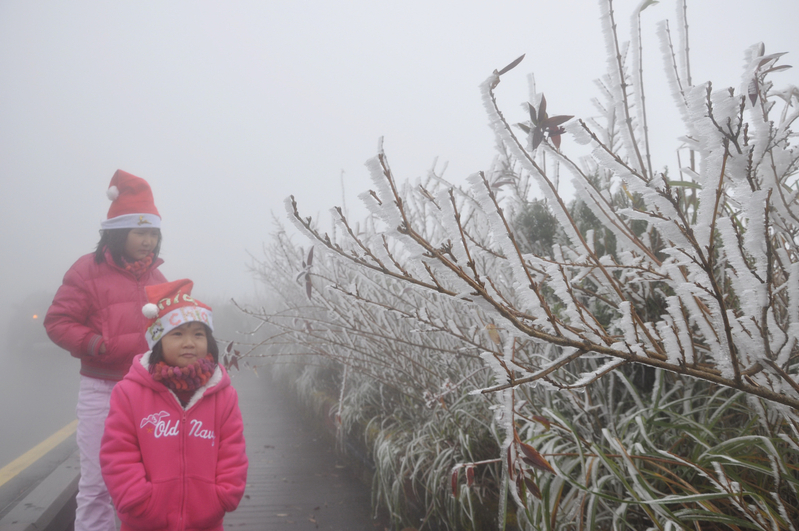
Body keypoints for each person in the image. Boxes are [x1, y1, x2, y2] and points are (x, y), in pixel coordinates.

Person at [44, 170, 167, 531]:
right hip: (102, 390)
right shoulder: (86, 270)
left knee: (146, 480)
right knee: (97, 484)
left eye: (153, 233)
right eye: (140, 232)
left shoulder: (158, 278)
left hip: (149, 390)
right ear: (117, 232)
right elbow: (57, 322)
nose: (148, 241)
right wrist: (99, 345)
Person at [100, 279, 248, 531]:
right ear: (157, 342)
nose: (189, 342)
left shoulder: (223, 395)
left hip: (206, 521)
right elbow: (118, 453)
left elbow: (232, 451)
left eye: (198, 334)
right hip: (143, 521)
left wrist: (222, 496)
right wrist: (137, 499)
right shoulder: (129, 392)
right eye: (177, 333)